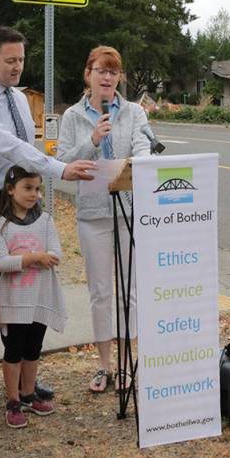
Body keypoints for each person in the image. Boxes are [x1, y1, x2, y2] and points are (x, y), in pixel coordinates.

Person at [0, 26, 95, 413]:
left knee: (28, 289)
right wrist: (59, 169)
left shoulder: (19, 98)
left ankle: (22, 380)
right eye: (9, 61)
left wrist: (34, 189)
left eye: (21, 59)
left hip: (21, 199)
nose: (17, 67)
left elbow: (27, 147)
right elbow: (10, 146)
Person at [56, 46, 151, 392]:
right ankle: (104, 365)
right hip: (93, 213)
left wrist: (135, 163)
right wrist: (93, 140)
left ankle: (127, 364)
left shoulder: (134, 113)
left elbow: (142, 148)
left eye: (113, 72)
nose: (107, 77)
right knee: (100, 292)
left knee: (130, 291)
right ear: (88, 74)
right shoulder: (73, 117)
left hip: (128, 209)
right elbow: (63, 163)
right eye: (101, 70)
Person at [0, 166, 67, 427]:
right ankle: (13, 400)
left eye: (37, 189)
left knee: (34, 348)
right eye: (27, 188)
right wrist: (35, 257)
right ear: (10, 190)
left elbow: (56, 254)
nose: (33, 194)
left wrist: (24, 260)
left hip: (40, 297)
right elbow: (1, 262)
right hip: (14, 300)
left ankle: (29, 393)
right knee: (13, 350)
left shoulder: (46, 221)